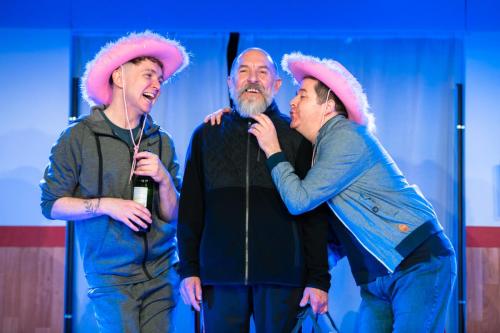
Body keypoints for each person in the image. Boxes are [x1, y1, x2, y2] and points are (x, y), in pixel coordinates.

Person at [248, 52, 457, 333]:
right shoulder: (321, 149)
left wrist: (272, 150)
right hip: (377, 277)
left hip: (417, 263)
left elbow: (299, 200)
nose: (292, 102)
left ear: (328, 105)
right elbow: (335, 232)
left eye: (303, 96)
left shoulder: (343, 136)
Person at [40, 31, 189, 332]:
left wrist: (163, 178)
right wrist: (108, 205)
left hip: (161, 274)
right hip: (110, 278)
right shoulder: (78, 137)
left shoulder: (162, 142)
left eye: (161, 79)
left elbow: (175, 215)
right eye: (149, 75)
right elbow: (51, 205)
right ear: (119, 77)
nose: (157, 85)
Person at [177, 48, 330, 333]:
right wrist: (189, 270)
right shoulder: (206, 135)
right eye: (244, 71)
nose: (253, 79)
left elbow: (313, 213)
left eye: (263, 72)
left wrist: (318, 279)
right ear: (230, 82)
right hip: (219, 279)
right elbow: (190, 211)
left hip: (283, 279)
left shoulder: (297, 136)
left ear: (277, 84)